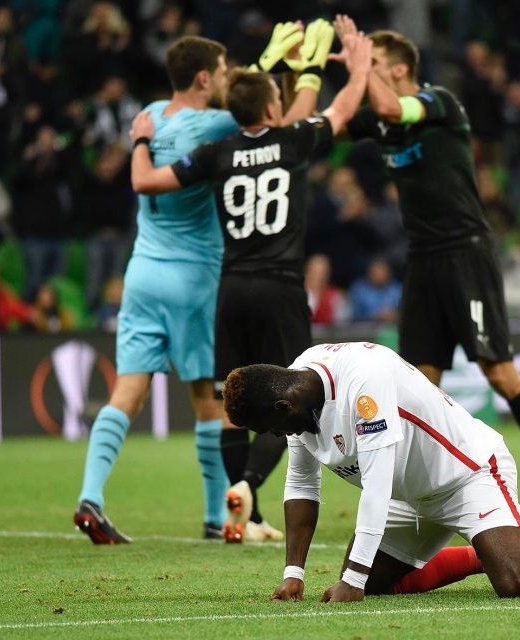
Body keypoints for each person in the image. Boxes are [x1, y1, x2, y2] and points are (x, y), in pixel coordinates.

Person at [129, 24, 371, 543]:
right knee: (294, 399)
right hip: (281, 289)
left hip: (232, 289)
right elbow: (342, 109)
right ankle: (248, 486)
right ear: (270, 108)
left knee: (231, 404)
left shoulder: (217, 151)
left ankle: (244, 513)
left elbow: (146, 181)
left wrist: (143, 140)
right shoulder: (293, 139)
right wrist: (357, 68)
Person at [334, 17, 520, 531]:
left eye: (375, 63)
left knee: (499, 372)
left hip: (465, 252)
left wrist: (362, 70)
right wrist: (318, 71)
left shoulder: (438, 103)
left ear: (399, 69)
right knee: (419, 385)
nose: (367, 70)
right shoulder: (382, 122)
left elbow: (389, 106)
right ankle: (429, 497)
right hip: (422, 259)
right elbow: (332, 124)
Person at [73, 25, 311, 544]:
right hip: (195, 275)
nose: (229, 79)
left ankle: (91, 495)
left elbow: (142, 172)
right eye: (223, 72)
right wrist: (288, 68)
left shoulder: (151, 115)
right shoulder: (218, 122)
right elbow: (266, 114)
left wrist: (140, 142)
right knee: (210, 400)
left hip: (141, 272)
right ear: (205, 78)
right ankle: (217, 514)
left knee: (127, 391)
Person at [222, 342, 520, 602]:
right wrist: (294, 575)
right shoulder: (296, 390)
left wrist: (351, 580)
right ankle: (484, 552)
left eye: (268, 427)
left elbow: (376, 486)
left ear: (283, 406)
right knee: (372, 583)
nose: (274, 436)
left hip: (469, 474)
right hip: (410, 493)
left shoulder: (362, 383)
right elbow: (301, 482)